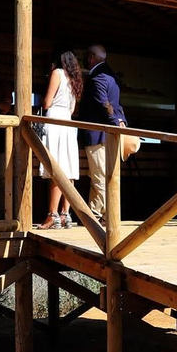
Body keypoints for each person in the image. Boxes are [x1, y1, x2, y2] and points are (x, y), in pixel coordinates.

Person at [76, 43, 127, 218]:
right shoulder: (111, 75)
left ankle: (100, 215)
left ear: (90, 58)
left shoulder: (97, 78)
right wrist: (121, 122)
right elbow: (116, 103)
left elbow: (103, 104)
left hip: (97, 135)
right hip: (109, 135)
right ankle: (98, 213)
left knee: (99, 177)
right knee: (103, 175)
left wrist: (114, 121)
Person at [36, 49, 84, 230]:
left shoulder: (57, 74)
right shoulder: (74, 79)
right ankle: (66, 214)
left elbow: (47, 102)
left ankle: (52, 214)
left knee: (55, 169)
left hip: (54, 121)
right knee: (68, 169)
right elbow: (72, 108)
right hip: (68, 123)